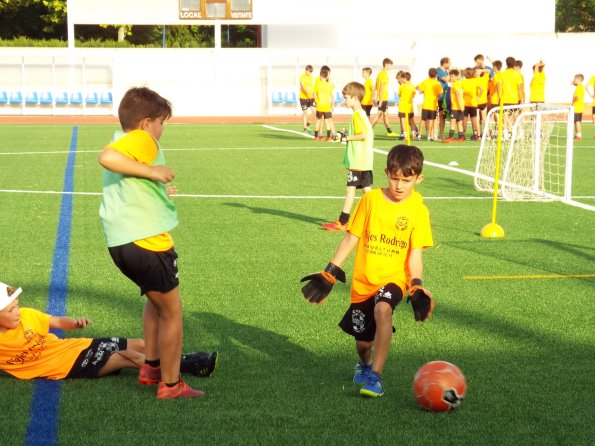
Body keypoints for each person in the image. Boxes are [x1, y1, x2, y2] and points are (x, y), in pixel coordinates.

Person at [301, 144, 434, 398]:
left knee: (383, 309)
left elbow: (415, 253)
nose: (399, 185)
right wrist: (331, 270)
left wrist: (415, 283)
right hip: (363, 282)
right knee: (363, 343)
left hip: (394, 279)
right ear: (386, 173)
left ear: (419, 178)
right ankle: (365, 364)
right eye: (394, 178)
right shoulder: (370, 200)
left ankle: (376, 376)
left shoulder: (419, 211)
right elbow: (351, 238)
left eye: (406, 180)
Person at [98, 86, 203, 400]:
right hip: (147, 242)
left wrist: (156, 188)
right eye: (161, 122)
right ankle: (171, 385)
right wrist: (153, 172)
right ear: (145, 123)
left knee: (154, 302)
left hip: (122, 243)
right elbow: (106, 158)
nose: (162, 129)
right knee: (172, 313)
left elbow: (126, 181)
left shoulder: (125, 140)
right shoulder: (142, 140)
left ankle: (152, 368)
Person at [0, 282, 217, 381]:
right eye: (10, 310)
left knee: (142, 344)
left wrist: (74, 323)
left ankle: (182, 360)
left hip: (78, 347)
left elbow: (57, 321)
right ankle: (192, 366)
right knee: (127, 357)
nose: (17, 311)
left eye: (16, 305)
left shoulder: (28, 315)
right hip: (69, 366)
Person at [322, 82, 374, 232]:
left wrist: (346, 137)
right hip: (364, 160)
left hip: (358, 161)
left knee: (350, 189)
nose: (344, 100)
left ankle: (342, 221)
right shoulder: (362, 113)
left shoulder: (358, 115)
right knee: (366, 191)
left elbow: (363, 134)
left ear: (355, 98)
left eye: (346, 97)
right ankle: (377, 216)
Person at [371, 58, 398, 137]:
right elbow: (382, 86)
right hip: (383, 98)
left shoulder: (379, 73)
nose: (391, 67)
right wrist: (381, 99)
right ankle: (369, 130)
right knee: (379, 114)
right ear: (386, 64)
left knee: (385, 114)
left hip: (382, 97)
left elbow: (376, 85)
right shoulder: (384, 74)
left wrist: (374, 95)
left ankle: (389, 131)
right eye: (390, 65)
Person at [416, 67, 443, 141]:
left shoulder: (425, 81)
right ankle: (428, 136)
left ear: (429, 74)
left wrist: (422, 91)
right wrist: (437, 97)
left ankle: (419, 135)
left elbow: (417, 87)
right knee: (431, 120)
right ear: (436, 75)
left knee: (422, 120)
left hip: (425, 104)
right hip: (433, 105)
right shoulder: (437, 83)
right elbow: (440, 93)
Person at [313, 66, 337, 141]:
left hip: (320, 105)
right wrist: (332, 105)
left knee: (320, 120)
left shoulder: (321, 83)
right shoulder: (321, 81)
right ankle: (329, 135)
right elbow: (332, 93)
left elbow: (314, 93)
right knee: (326, 121)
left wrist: (316, 101)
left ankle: (317, 136)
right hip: (326, 106)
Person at [443, 69, 465, 143]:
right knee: (459, 122)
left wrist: (460, 105)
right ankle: (461, 138)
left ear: (456, 77)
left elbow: (458, 95)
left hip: (456, 107)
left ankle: (450, 137)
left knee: (453, 121)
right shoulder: (457, 84)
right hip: (459, 106)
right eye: (450, 76)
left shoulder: (455, 84)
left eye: (452, 76)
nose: (451, 78)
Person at [461, 67, 481, 141]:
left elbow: (460, 91)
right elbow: (481, 88)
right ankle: (475, 134)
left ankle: (463, 135)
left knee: (465, 119)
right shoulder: (475, 81)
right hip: (473, 103)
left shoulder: (463, 82)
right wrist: (478, 96)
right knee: (474, 119)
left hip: (465, 103)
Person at [397, 72, 418, 141]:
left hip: (402, 107)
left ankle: (405, 136)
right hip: (410, 107)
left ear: (404, 78)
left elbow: (399, 95)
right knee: (411, 121)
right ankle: (414, 135)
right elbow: (414, 94)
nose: (401, 80)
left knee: (403, 122)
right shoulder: (412, 86)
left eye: (402, 78)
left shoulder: (402, 86)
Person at [436, 57, 452, 140]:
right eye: (449, 63)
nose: (450, 65)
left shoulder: (446, 71)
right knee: (440, 115)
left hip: (446, 96)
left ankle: (441, 133)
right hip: (440, 97)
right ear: (445, 63)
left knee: (444, 116)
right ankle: (437, 134)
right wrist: (451, 73)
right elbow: (445, 79)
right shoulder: (438, 70)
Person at [299, 65, 316, 133]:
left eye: (311, 72)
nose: (310, 73)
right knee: (305, 112)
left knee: (314, 112)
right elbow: (303, 87)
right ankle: (305, 128)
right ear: (306, 70)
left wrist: (313, 95)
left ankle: (308, 125)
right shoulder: (302, 77)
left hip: (311, 98)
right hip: (303, 98)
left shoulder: (311, 77)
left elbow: (312, 87)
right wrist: (309, 94)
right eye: (309, 71)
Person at [571, 74, 585, 141]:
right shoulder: (579, 86)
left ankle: (579, 136)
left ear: (578, 80)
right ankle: (577, 135)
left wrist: (573, 101)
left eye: (574, 79)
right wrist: (573, 83)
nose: (573, 80)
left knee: (577, 121)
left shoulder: (580, 87)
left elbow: (578, 97)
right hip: (577, 107)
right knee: (575, 121)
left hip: (577, 107)